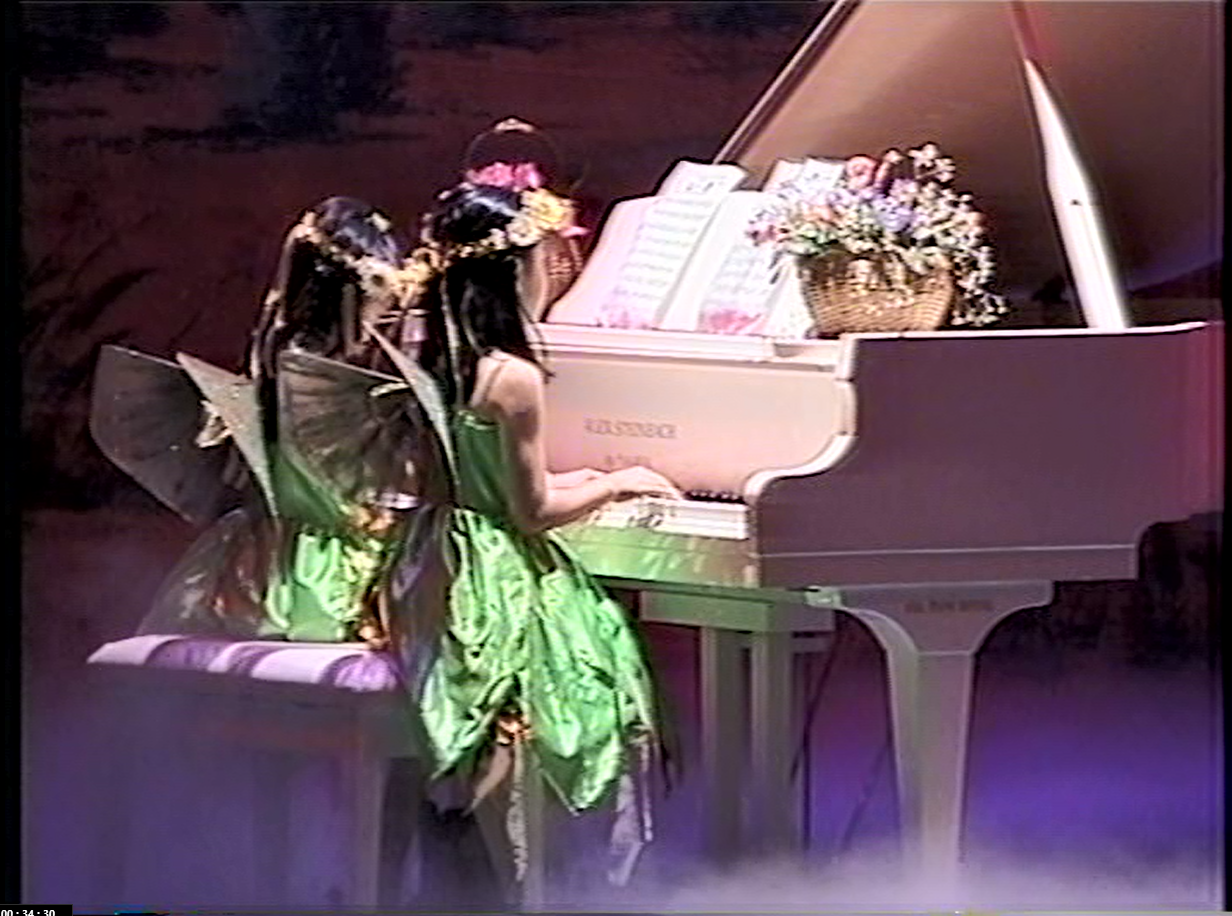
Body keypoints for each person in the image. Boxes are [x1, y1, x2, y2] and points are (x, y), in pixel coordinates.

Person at [379, 180, 680, 898]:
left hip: (425, 563)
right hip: (491, 579)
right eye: (542, 259)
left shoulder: (424, 354)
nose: (550, 271)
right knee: (598, 679)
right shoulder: (514, 376)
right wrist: (618, 481)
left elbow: (478, 475)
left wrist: (571, 473)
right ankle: (547, 878)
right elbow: (533, 512)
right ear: (512, 272)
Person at [91, 196, 415, 645]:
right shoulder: (317, 373)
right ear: (355, 293)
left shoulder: (281, 351)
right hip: (316, 568)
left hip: (259, 551)